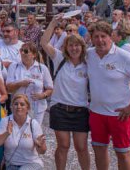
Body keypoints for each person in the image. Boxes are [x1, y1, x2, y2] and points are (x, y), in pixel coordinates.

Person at [87, 21, 130, 170]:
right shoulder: (89, 54)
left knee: (122, 152)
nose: (100, 40)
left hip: (120, 114)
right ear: (91, 38)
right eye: (96, 36)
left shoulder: (124, 56)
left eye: (103, 36)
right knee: (99, 149)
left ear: (111, 37)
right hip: (96, 112)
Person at [41, 15, 90, 170]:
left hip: (80, 109)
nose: (74, 48)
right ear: (65, 47)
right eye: (71, 45)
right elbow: (43, 43)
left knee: (81, 147)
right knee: (63, 145)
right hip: (60, 108)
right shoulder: (59, 58)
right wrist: (53, 23)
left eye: (77, 45)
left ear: (82, 47)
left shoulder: (87, 63)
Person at [6, 42, 53, 124]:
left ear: (34, 54)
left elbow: (50, 88)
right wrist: (20, 84)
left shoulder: (42, 68)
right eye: (21, 51)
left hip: (37, 108)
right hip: (18, 108)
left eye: (26, 51)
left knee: (35, 133)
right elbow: (8, 88)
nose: (23, 53)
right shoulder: (14, 66)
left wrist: (42, 95)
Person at [0, 94, 46, 169]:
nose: (18, 107)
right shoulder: (5, 121)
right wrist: (7, 133)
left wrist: (40, 145)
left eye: (22, 104)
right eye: (16, 104)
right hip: (11, 165)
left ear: (28, 108)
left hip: (31, 163)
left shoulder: (33, 124)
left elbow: (42, 151)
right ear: (11, 107)